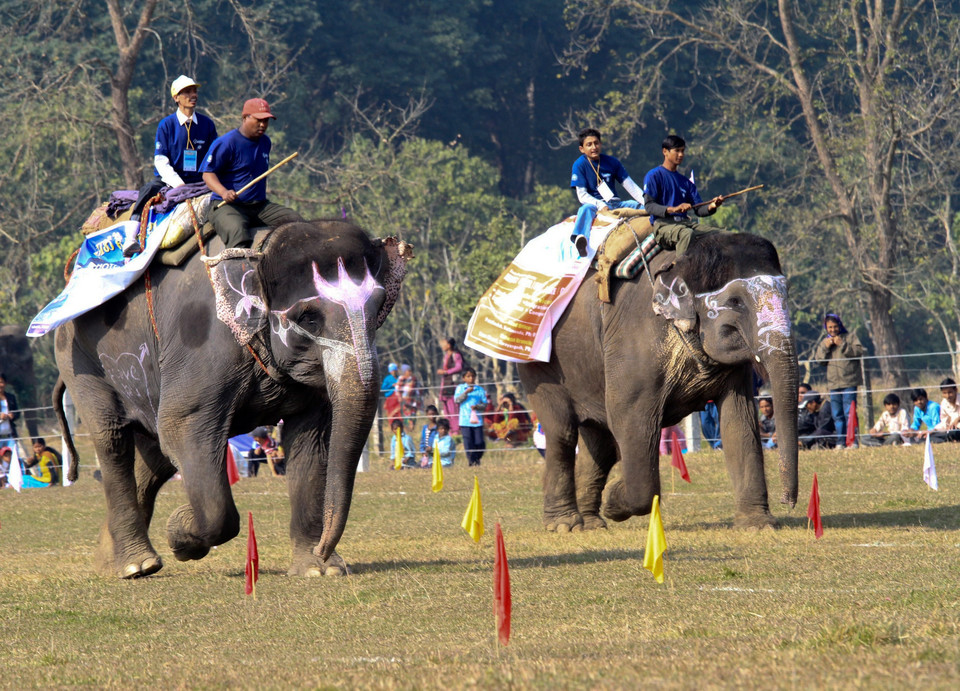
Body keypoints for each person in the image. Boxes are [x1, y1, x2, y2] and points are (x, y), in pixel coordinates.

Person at [124, 75, 219, 257]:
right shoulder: (166, 125)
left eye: (194, 91)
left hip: (199, 181)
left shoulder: (207, 125)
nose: (193, 95)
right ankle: (130, 239)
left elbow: (215, 156)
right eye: (187, 92)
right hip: (170, 181)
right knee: (147, 189)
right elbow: (161, 161)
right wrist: (178, 184)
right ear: (176, 97)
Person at [200, 98, 303, 249]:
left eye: (266, 121)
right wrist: (224, 192)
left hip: (259, 206)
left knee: (296, 221)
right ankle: (238, 271)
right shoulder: (227, 142)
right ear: (245, 118)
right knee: (237, 232)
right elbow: (207, 174)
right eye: (258, 120)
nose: (263, 125)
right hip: (228, 205)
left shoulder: (265, 142)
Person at [642, 134, 725, 257]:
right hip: (664, 226)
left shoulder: (686, 182)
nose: (681, 155)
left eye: (683, 151)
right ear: (665, 151)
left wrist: (713, 206)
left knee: (724, 235)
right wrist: (673, 209)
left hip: (686, 224)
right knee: (686, 234)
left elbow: (699, 210)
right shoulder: (654, 175)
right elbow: (649, 206)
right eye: (677, 151)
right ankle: (680, 271)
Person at [569, 128, 645, 257]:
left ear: (601, 144)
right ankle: (580, 239)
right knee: (585, 209)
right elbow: (582, 195)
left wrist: (649, 203)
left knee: (636, 205)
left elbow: (631, 187)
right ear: (582, 149)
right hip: (595, 206)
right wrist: (600, 205)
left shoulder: (612, 162)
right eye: (589, 144)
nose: (594, 147)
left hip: (615, 204)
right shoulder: (579, 165)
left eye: (596, 143)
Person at [813, 313, 864, 448]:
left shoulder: (850, 337)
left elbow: (859, 352)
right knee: (837, 415)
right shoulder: (825, 342)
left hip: (849, 382)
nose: (833, 330)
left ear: (840, 325)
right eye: (830, 327)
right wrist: (825, 347)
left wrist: (843, 345)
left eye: (835, 326)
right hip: (833, 384)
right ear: (826, 328)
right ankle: (840, 442)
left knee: (850, 413)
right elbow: (819, 360)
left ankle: (853, 441)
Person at [454, 368, 488, 466]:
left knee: (479, 442)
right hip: (465, 420)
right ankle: (471, 461)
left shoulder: (480, 390)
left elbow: (485, 404)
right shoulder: (460, 388)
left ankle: (477, 457)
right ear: (464, 378)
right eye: (468, 376)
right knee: (468, 442)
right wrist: (466, 393)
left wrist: (478, 406)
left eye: (473, 376)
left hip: (477, 421)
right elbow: (457, 400)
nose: (471, 378)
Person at [436, 338, 464, 433]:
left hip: (453, 385)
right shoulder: (446, 356)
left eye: (444, 344)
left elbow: (459, 367)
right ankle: (450, 429)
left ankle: (456, 430)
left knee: (453, 408)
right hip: (445, 384)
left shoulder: (456, 355)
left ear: (449, 345)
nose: (442, 346)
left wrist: (446, 372)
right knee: (446, 408)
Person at [0, 373, 20, 452]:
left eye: (1, 382)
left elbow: (17, 413)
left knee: (14, 458)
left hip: (10, 435)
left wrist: (13, 415)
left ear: (5, 383)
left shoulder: (11, 397)